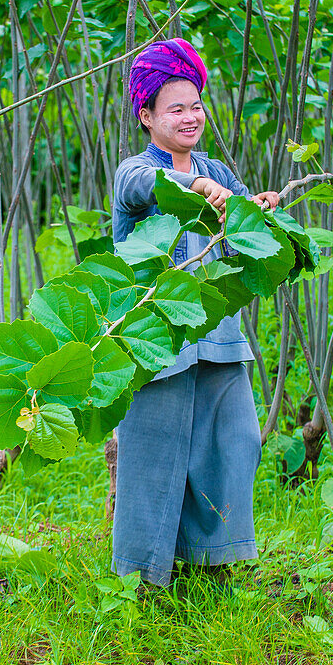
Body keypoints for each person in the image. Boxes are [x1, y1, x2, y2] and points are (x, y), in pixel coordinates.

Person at [110, 38, 279, 588]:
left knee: (237, 440)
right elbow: (149, 187)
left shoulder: (218, 169)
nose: (189, 117)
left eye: (195, 105)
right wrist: (192, 185)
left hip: (218, 330)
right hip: (156, 333)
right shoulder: (134, 171)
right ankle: (141, 580)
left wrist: (262, 208)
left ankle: (215, 562)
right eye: (174, 108)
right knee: (155, 456)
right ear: (147, 115)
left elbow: (248, 231)